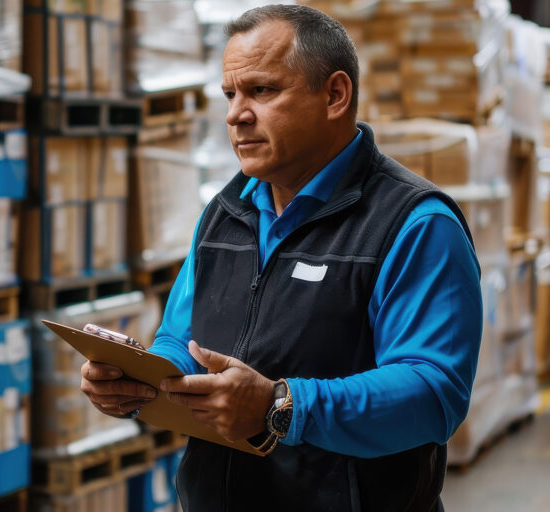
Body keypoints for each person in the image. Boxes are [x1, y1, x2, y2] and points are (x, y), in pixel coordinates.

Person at [79, 4, 483, 510]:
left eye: (262, 91)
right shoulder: (224, 216)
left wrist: (280, 407)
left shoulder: (413, 224)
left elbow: (432, 391)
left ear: (335, 95)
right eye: (230, 94)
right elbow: (184, 342)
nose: (235, 114)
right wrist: (138, 380)